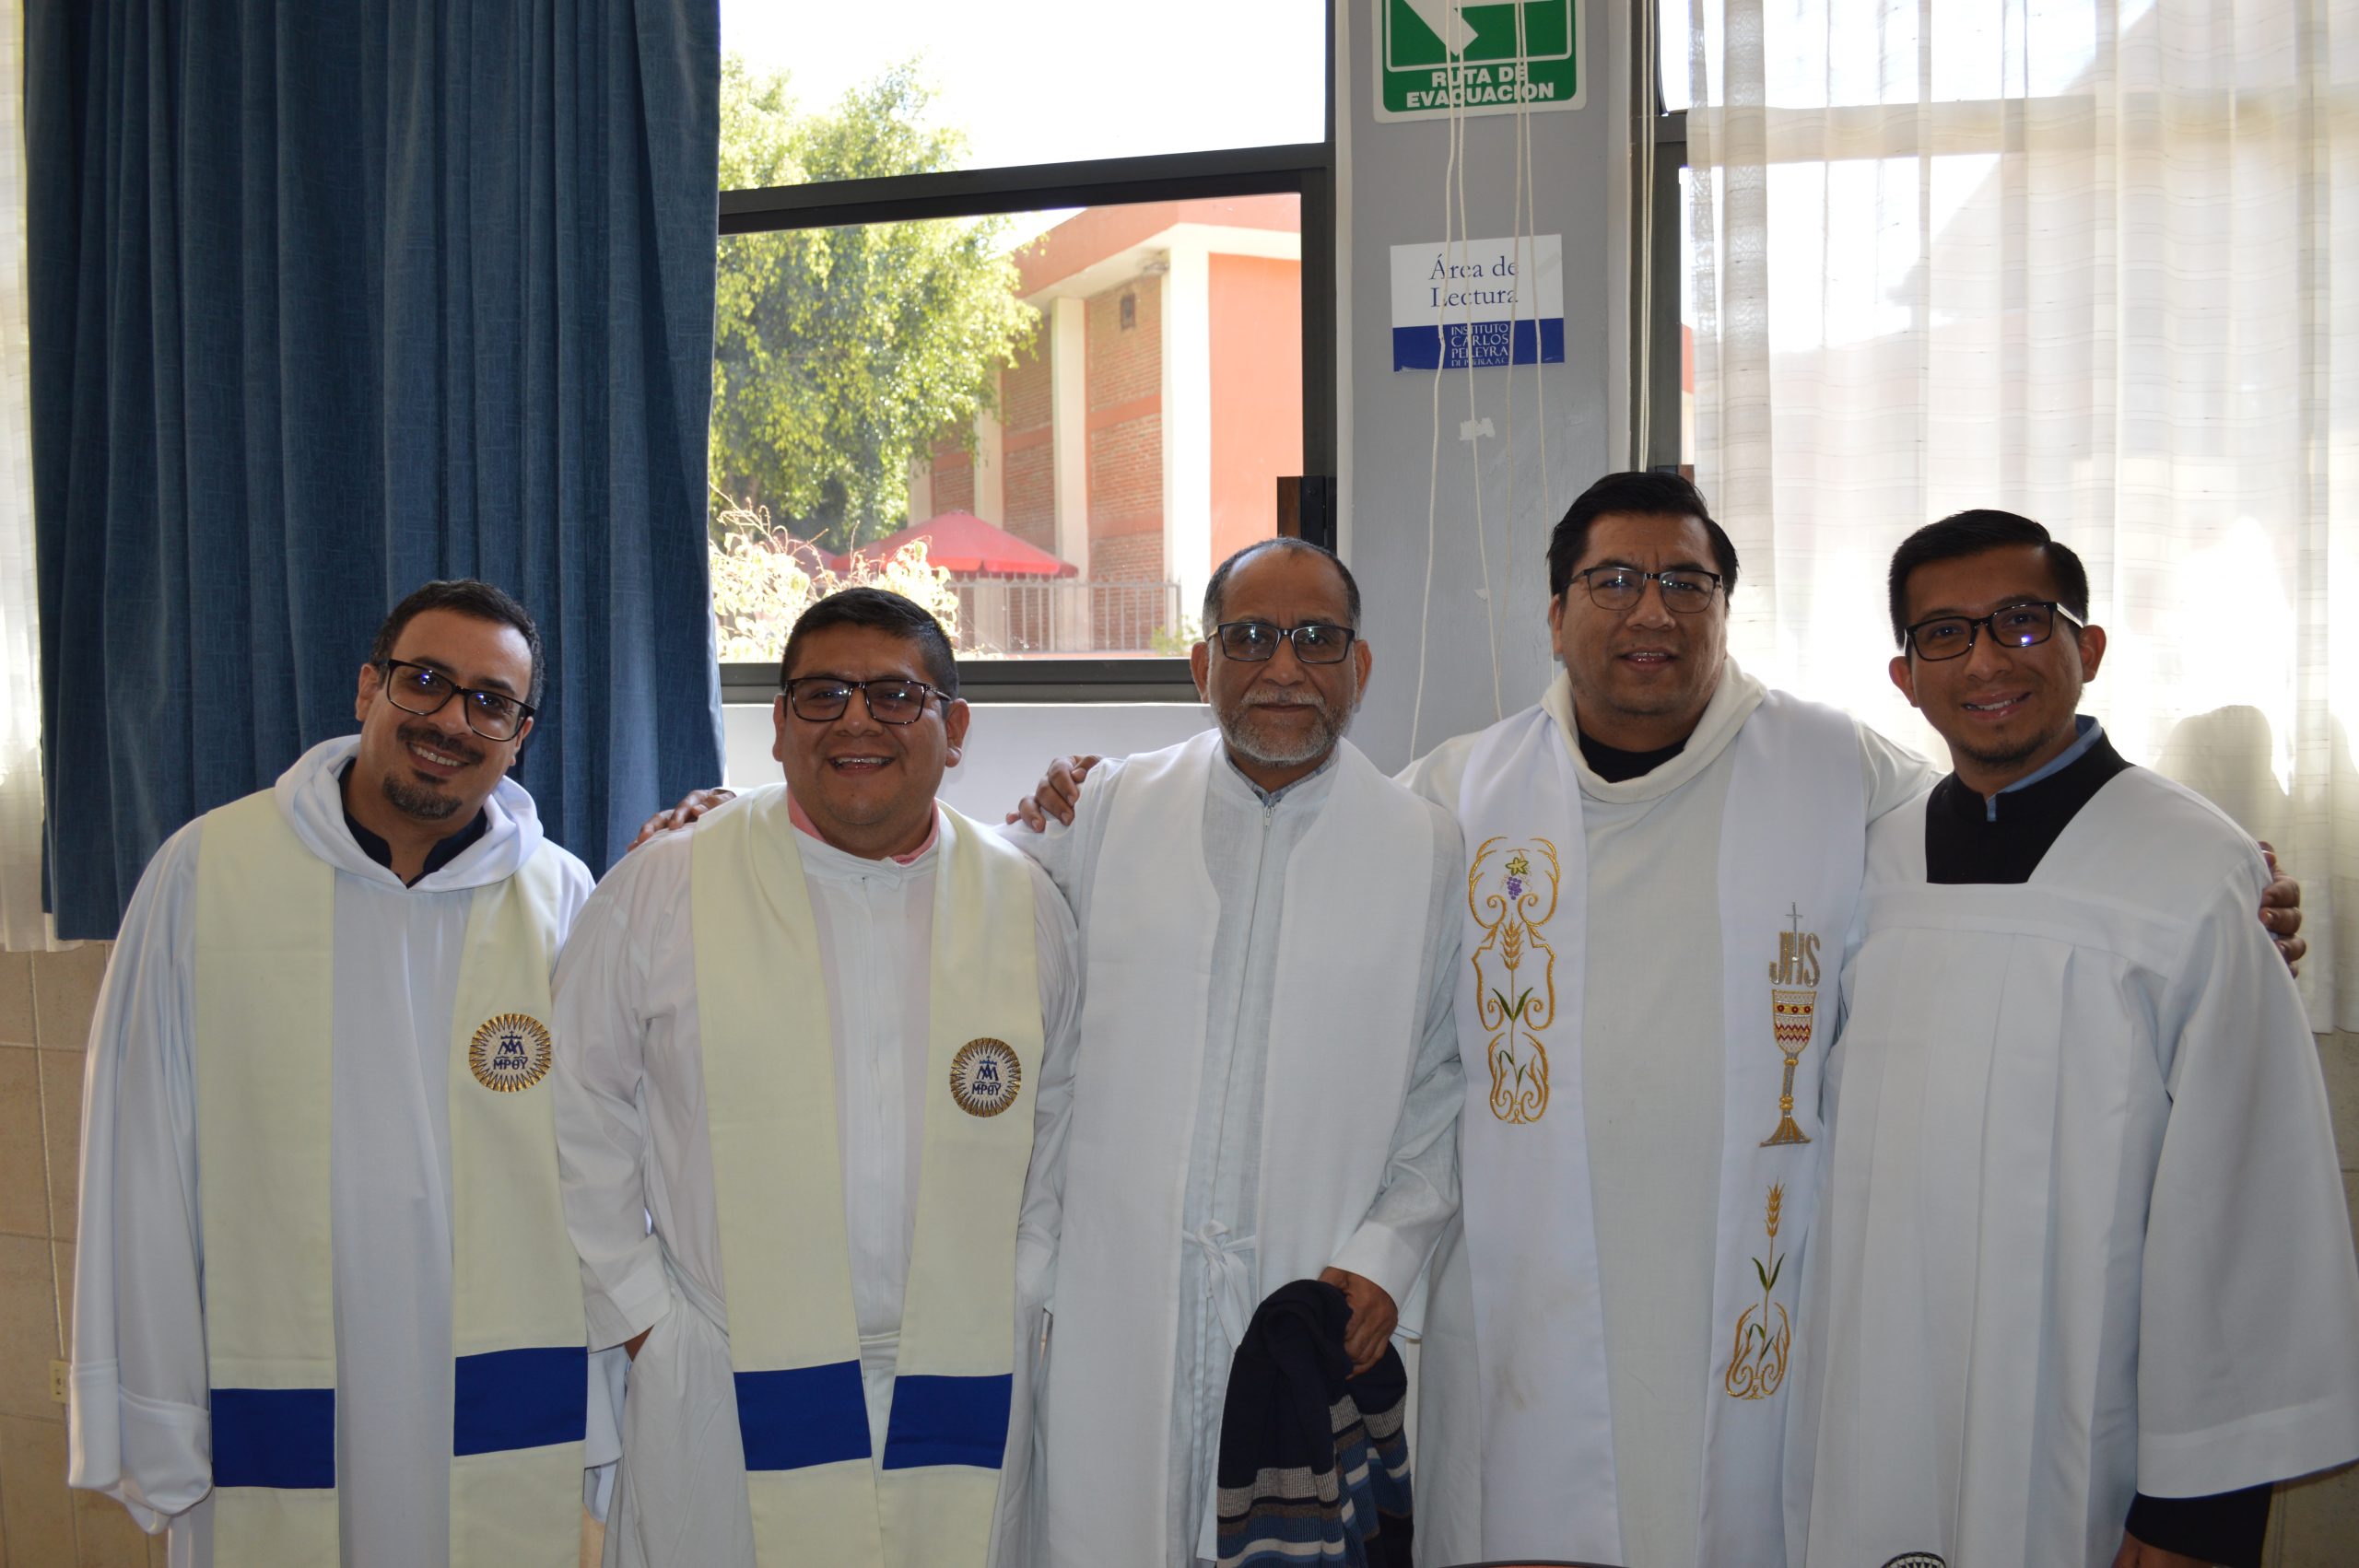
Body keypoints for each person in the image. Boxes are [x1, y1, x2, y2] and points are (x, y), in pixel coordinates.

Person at [1786, 510, 2359, 1568]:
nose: (1985, 660)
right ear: (1905, 677)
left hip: (2092, 1440)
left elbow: (2244, 1197)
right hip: (1875, 1408)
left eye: (2020, 620)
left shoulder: (2192, 867)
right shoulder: (1868, 864)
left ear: (2085, 647)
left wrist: (2197, 1510)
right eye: (1944, 633)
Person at [68, 579, 611, 1568]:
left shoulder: (563, 897)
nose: (452, 719)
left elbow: (607, 1161)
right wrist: (154, 1398)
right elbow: (139, 1151)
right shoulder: (208, 874)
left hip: (494, 1384)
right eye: (425, 681)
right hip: (270, 1378)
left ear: (519, 736)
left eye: (490, 701)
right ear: (369, 687)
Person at [551, 587, 1080, 1568]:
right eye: (823, 694)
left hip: (959, 1373)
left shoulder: (1024, 902)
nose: (856, 721)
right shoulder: (668, 885)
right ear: (779, 723)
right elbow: (572, 1103)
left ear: (955, 730)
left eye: (895, 695)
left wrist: (1020, 1288)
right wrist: (643, 1318)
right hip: (725, 1375)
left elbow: (1061, 1122)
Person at [1007, 538, 1463, 1568]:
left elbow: (1447, 1077)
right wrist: (740, 825)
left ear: (1359, 666)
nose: (1284, 667)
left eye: (1317, 639)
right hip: (1116, 1301)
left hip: (1312, 1295)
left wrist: (1389, 1251)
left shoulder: (1426, 848)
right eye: (1250, 637)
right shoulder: (1106, 808)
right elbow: (963, 897)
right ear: (1201, 663)